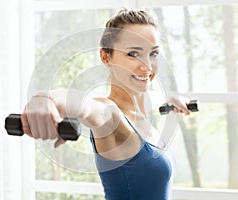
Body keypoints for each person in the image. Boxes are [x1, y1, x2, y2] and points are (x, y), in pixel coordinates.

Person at [21, 9, 190, 200]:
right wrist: (46, 99)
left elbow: (151, 100)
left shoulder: (141, 110)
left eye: (153, 53)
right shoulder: (111, 116)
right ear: (105, 57)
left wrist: (172, 100)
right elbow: (86, 106)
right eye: (133, 53)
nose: (148, 66)